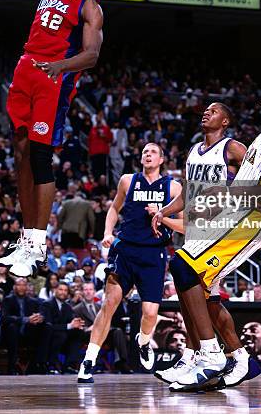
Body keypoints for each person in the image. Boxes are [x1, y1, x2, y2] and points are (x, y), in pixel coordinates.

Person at [155, 80, 261, 391]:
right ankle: (232, 357)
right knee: (195, 283)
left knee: (183, 266)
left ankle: (210, 355)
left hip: (253, 217)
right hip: (236, 213)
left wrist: (228, 194)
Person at [0, 0, 105, 278]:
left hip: (52, 76)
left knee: (42, 157)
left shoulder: (91, 3)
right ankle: (25, 238)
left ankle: (38, 243)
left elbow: (92, 55)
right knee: (21, 151)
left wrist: (61, 68)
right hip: (27, 67)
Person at [151, 103, 252, 389]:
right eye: (205, 110)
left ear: (226, 120)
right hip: (198, 229)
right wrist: (164, 212)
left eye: (214, 111)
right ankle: (211, 355)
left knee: (186, 275)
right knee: (203, 298)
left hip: (222, 229)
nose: (207, 113)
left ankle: (211, 354)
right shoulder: (195, 150)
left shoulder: (233, 148)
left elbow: (257, 182)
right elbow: (186, 191)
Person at [77, 142, 182, 383]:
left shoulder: (173, 188)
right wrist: (107, 233)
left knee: (150, 312)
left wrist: (161, 216)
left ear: (162, 160)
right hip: (124, 251)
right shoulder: (127, 180)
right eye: (144, 151)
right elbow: (114, 209)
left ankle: (144, 341)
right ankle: (88, 361)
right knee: (109, 304)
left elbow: (186, 226)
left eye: (153, 152)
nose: (147, 154)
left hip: (153, 254)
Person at [72, 282, 131, 373]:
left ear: (94, 292)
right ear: (82, 292)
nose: (88, 292)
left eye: (90, 290)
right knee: (95, 333)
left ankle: (122, 362)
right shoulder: (77, 309)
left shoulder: (101, 307)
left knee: (118, 331)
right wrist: (88, 328)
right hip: (87, 335)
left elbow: (108, 322)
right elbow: (77, 327)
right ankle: (96, 364)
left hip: (104, 334)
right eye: (86, 290)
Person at [0, 278, 48, 374]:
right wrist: (25, 319)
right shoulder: (8, 300)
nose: (21, 287)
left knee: (46, 327)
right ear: (14, 287)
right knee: (12, 327)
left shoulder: (33, 301)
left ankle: (39, 364)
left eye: (24, 285)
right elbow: (5, 318)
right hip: (11, 334)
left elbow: (40, 314)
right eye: (19, 285)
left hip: (28, 333)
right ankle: (12, 367)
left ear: (27, 287)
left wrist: (39, 318)